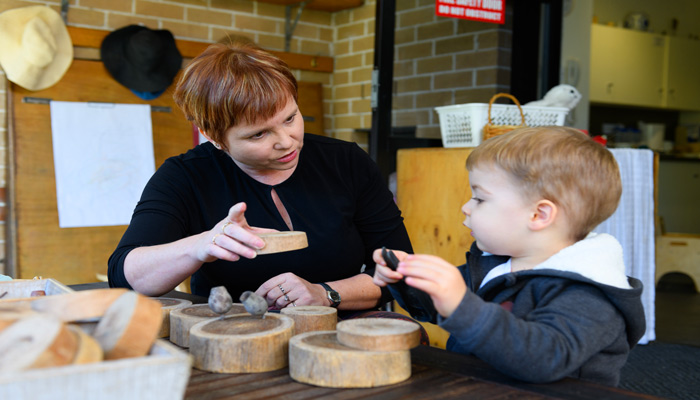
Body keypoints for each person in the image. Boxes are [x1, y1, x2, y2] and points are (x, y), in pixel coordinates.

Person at [107, 41, 413, 315]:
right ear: (214, 137)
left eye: (290, 118)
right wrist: (203, 245)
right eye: (259, 134)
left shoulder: (346, 162)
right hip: (232, 338)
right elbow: (124, 275)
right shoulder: (186, 176)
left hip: (339, 333)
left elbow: (399, 266)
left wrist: (325, 293)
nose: (287, 141)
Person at [373, 126, 646, 386]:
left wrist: (462, 305)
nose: (465, 207)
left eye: (480, 198)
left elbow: (544, 359)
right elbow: (439, 307)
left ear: (538, 215)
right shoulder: (497, 262)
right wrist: (406, 278)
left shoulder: (590, 293)